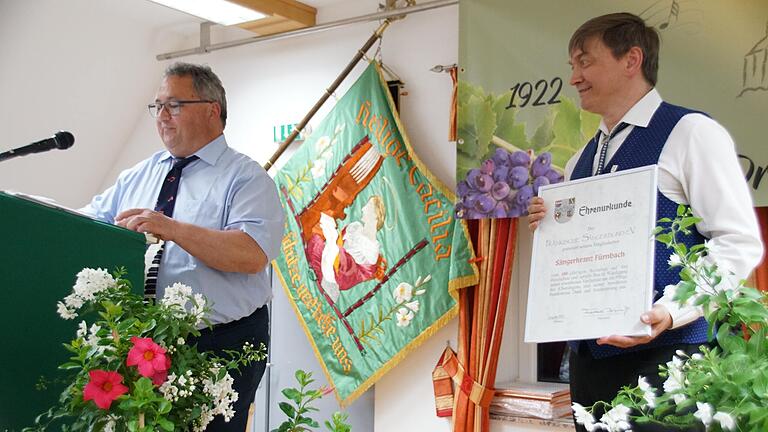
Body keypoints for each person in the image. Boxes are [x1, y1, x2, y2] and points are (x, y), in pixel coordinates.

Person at [527, 13, 763, 431]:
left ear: (631, 59)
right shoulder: (580, 157)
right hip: (589, 365)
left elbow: (737, 242)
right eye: (572, 66)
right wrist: (552, 223)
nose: (574, 77)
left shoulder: (690, 132)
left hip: (666, 361)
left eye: (585, 62)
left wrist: (671, 312)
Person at [81, 62, 285, 431]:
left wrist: (171, 228)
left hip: (223, 341)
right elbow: (87, 222)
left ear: (211, 110)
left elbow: (251, 253)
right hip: (147, 339)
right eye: (157, 106)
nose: (161, 116)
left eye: (173, 105)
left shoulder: (246, 178)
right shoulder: (140, 173)